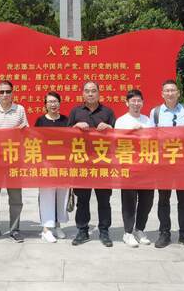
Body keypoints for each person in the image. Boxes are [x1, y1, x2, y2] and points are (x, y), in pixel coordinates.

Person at [150, 79, 184, 249]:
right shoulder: (155, 112)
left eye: (173, 90)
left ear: (178, 93)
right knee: (163, 199)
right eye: (167, 91)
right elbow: (150, 137)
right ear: (162, 94)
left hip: (183, 163)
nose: (170, 93)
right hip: (163, 164)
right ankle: (164, 233)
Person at [68, 81, 116, 247]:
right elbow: (65, 135)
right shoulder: (76, 112)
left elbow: (118, 137)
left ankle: (104, 231)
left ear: (99, 93)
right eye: (87, 91)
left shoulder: (108, 112)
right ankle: (82, 231)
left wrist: (109, 127)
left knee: (104, 200)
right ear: (82, 94)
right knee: (82, 200)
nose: (90, 94)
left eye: (93, 91)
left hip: (103, 163)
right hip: (82, 163)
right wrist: (75, 126)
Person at [0, 80, 29, 244]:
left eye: (8, 91)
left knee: (15, 198)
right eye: (1, 92)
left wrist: (23, 129)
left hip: (14, 160)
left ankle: (14, 230)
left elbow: (27, 132)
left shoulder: (20, 109)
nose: (5, 95)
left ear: (12, 93)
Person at [115, 89, 154, 248]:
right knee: (129, 200)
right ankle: (128, 232)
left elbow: (154, 139)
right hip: (129, 166)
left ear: (142, 103)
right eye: (133, 101)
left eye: (139, 101)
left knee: (147, 200)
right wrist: (132, 133)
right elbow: (116, 141)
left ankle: (140, 229)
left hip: (146, 165)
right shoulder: (121, 121)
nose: (136, 104)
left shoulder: (148, 120)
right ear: (127, 103)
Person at [34, 91, 70, 243]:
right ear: (45, 105)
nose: (53, 104)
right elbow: (35, 142)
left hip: (63, 164)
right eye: (50, 102)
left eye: (55, 101)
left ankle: (57, 225)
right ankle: (46, 229)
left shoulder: (66, 120)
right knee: (47, 195)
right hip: (46, 164)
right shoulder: (40, 121)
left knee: (62, 195)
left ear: (59, 103)